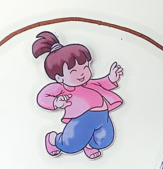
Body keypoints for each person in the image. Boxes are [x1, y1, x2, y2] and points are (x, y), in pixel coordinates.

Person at [32, 30, 124, 159]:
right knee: (70, 145)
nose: (82, 73)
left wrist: (111, 78)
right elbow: (42, 97)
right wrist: (56, 102)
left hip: (102, 115)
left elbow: (102, 83)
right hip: (80, 119)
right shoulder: (62, 88)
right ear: (59, 77)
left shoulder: (89, 83)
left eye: (85, 67)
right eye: (73, 71)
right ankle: (53, 139)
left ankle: (89, 146)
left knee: (104, 140)